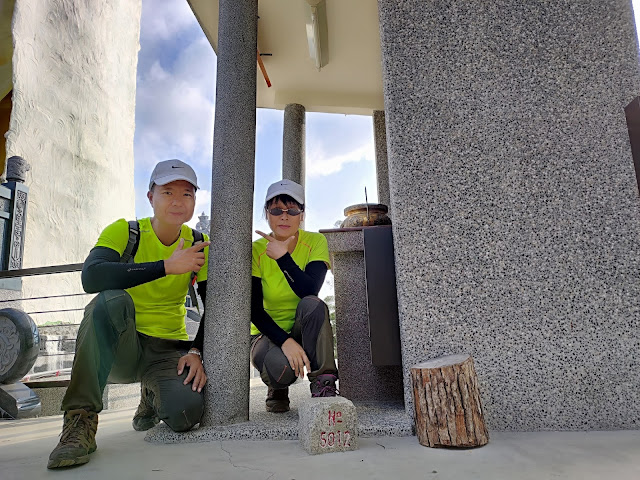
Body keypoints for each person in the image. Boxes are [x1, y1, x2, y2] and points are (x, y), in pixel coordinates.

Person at [47, 159, 211, 469]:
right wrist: (165, 267)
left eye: (187, 194)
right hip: (123, 347)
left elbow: (212, 304)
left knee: (186, 413)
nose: (178, 201)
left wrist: (196, 351)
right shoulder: (126, 231)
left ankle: (151, 395)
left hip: (167, 350)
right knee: (110, 300)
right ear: (151, 197)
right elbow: (91, 277)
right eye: (168, 192)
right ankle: (79, 420)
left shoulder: (199, 243)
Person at [251, 179, 339, 413]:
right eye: (276, 210)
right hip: (266, 334)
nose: (284, 217)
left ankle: (324, 382)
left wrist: (283, 258)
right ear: (267, 213)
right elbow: (254, 311)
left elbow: (309, 291)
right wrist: (285, 341)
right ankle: (277, 388)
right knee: (281, 370)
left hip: (302, 329)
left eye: (292, 210)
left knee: (313, 304)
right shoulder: (255, 250)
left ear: (302, 214)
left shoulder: (315, 241)